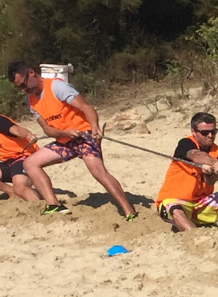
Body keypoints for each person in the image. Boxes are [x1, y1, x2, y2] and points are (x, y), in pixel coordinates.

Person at [7, 61, 137, 218]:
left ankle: (129, 211)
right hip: (65, 140)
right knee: (30, 163)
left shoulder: (57, 87)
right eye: (19, 88)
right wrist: (64, 133)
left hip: (85, 136)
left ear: (32, 73)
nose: (24, 90)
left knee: (98, 171)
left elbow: (86, 108)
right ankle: (53, 205)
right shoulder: (30, 101)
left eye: (24, 84)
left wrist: (94, 126)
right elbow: (47, 129)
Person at [155, 112, 218, 231]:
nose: (210, 135)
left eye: (213, 131)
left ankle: (217, 226)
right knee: (175, 209)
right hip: (175, 202)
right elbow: (194, 154)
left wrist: (213, 172)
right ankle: (195, 234)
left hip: (200, 205)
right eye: (204, 133)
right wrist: (212, 163)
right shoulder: (186, 143)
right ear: (193, 132)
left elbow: (210, 182)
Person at [0, 113, 41, 202]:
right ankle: (12, 193)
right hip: (8, 162)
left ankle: (39, 206)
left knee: (19, 187)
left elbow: (17, 130)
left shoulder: (1, 121)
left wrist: (28, 134)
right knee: (17, 189)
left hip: (24, 157)